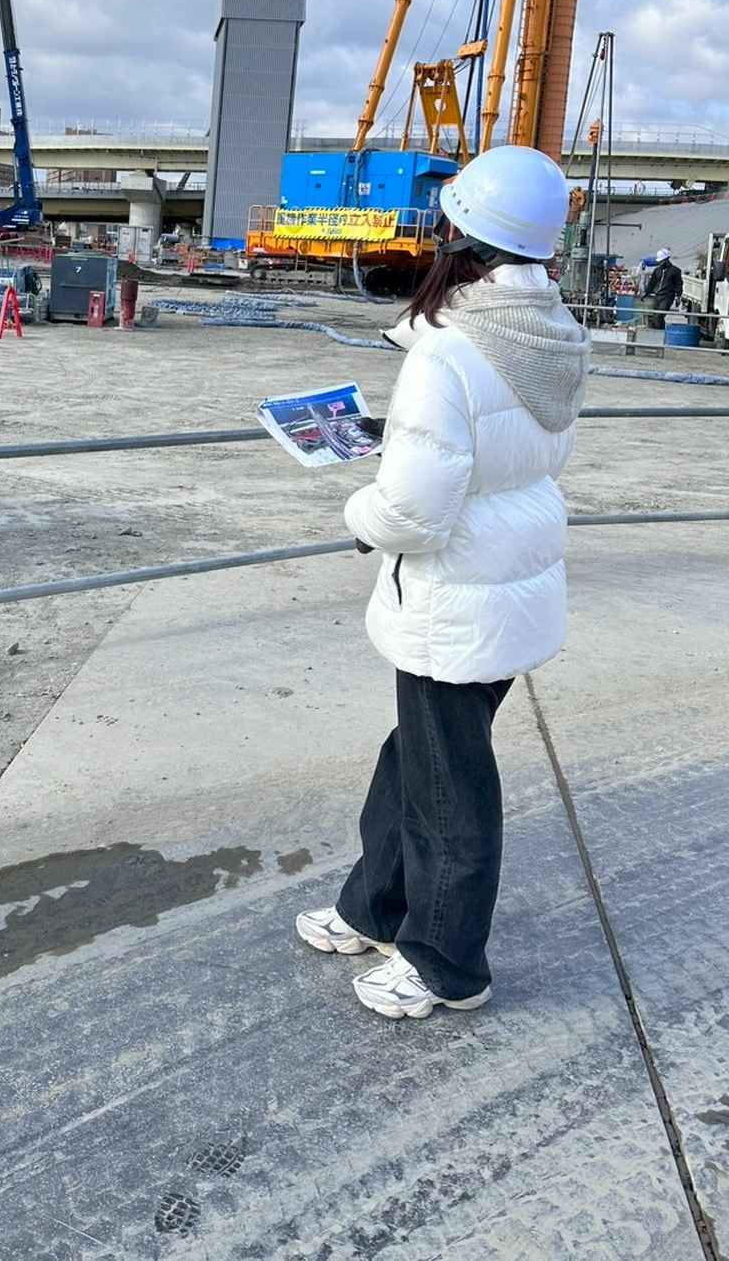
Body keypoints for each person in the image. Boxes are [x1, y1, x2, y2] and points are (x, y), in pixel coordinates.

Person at [295, 145, 590, 1020]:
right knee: (418, 758)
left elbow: (415, 514)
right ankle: (372, 906)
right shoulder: (553, 335)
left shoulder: (449, 352)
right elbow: (514, 455)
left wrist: (361, 514)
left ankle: (446, 963)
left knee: (450, 787)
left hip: (455, 593)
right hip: (509, 582)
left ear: (458, 232)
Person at [641, 247, 683, 329]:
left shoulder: (675, 271)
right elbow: (652, 283)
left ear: (666, 260)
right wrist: (646, 294)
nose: (660, 263)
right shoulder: (657, 270)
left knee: (659, 316)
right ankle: (660, 333)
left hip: (668, 297)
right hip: (658, 296)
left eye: (661, 261)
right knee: (655, 317)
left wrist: (678, 297)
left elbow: (679, 284)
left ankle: (660, 334)